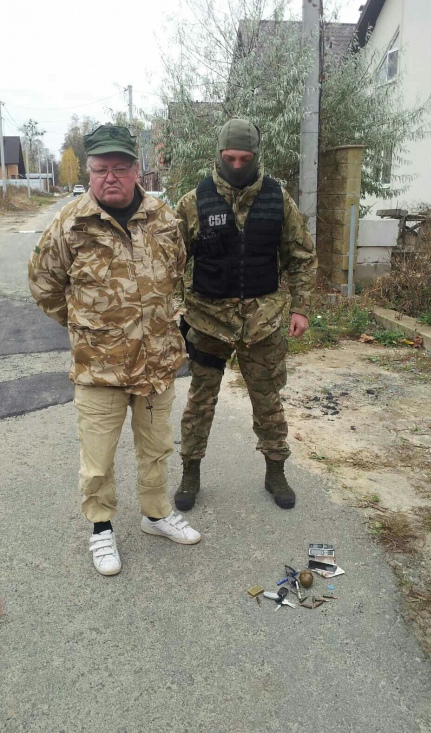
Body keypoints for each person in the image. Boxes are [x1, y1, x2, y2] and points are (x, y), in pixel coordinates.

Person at [28, 124, 201, 577]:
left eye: (120, 168)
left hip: (156, 365)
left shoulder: (163, 217)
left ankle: (155, 515)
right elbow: (44, 285)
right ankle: (101, 528)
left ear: (136, 170)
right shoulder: (70, 223)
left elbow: (176, 271)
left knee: (156, 448)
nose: (110, 177)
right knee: (98, 459)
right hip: (98, 369)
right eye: (101, 168)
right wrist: (87, 328)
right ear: (89, 171)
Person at [175, 118, 317, 512]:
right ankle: (190, 472)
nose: (237, 165)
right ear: (219, 155)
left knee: (268, 401)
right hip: (207, 323)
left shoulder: (278, 199)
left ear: (256, 156)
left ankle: (276, 471)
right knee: (199, 402)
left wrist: (301, 307)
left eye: (245, 158)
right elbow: (169, 262)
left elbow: (301, 256)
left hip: (263, 322)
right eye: (230, 158)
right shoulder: (193, 202)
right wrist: (169, 310)